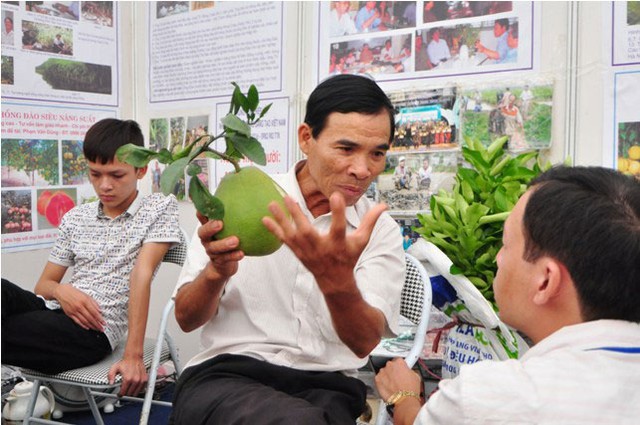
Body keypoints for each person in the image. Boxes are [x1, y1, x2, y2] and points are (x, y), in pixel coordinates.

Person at [169, 74, 405, 424]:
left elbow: (362, 344)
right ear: (307, 138)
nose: (361, 170)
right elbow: (186, 320)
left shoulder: (379, 231)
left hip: (328, 384)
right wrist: (215, 273)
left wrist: (336, 280)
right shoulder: (244, 200)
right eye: (346, 148)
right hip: (228, 376)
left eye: (377, 154)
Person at [375, 165, 640, 424]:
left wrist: (404, 397)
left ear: (546, 281)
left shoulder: (490, 398)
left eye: (505, 245)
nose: (498, 259)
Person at [1, 119, 182, 397]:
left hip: (91, 332)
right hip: (50, 310)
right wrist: (63, 292)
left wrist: (133, 356)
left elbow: (142, 273)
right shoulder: (76, 217)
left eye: (116, 175)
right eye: (95, 174)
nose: (104, 185)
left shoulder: (159, 208)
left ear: (141, 170)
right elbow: (44, 286)